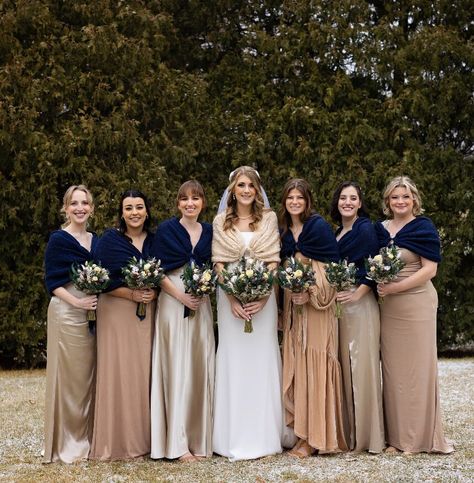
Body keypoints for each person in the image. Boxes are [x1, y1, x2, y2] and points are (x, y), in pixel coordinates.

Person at [212, 166, 288, 461]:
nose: (245, 190)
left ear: (257, 191)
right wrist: (232, 298)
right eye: (240, 185)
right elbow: (218, 263)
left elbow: (273, 261)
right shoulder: (220, 221)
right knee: (233, 359)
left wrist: (264, 296)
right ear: (232, 190)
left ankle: (264, 436)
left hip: (264, 302)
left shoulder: (268, 219)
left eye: (251, 186)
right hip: (229, 300)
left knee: (261, 359)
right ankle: (229, 436)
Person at [375, 176, 454, 454]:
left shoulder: (423, 227)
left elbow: (429, 270)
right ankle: (397, 439)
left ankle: (419, 439)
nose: (400, 202)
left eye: (405, 197)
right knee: (394, 371)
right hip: (389, 308)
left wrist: (396, 287)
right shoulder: (380, 229)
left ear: (414, 200)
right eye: (395, 197)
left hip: (417, 303)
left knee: (419, 370)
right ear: (388, 201)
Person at [279, 178, 347, 457]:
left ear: (308, 201)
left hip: (317, 307)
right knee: (298, 364)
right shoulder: (283, 232)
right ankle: (301, 433)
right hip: (293, 307)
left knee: (315, 364)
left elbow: (330, 269)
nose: (295, 202)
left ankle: (316, 437)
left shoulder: (317, 227)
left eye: (300, 198)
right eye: (290, 197)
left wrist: (309, 290)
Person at [150, 180, 215, 462]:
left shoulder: (210, 231)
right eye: (185, 199)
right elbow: (157, 271)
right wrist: (181, 296)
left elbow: (216, 266)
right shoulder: (166, 230)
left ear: (203, 203)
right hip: (173, 301)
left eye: (196, 198)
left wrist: (201, 292)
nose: (190, 203)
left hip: (201, 303)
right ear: (178, 203)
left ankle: (198, 438)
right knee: (176, 367)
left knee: (200, 367)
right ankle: (176, 444)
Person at [90, 190, 157, 460]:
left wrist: (153, 292)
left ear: (147, 211)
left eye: (139, 207)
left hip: (147, 313)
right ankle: (117, 442)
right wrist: (132, 294)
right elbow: (101, 280)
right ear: (121, 212)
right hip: (116, 312)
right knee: (119, 373)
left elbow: (165, 272)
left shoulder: (155, 241)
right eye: (128, 208)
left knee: (144, 373)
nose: (134, 213)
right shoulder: (110, 240)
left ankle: (146, 440)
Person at [43, 184, 98, 463]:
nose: (79, 208)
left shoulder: (96, 240)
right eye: (74, 203)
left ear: (91, 208)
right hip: (67, 313)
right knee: (67, 380)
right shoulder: (59, 240)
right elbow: (52, 282)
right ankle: (66, 444)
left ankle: (87, 439)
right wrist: (78, 303)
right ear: (65, 208)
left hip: (92, 317)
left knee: (87, 379)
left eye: (84, 203)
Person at [330, 181, 385, 453]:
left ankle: (368, 437)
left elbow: (374, 264)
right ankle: (349, 434)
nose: (347, 202)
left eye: (353, 198)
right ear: (337, 202)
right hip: (340, 307)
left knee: (362, 368)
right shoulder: (338, 231)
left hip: (360, 304)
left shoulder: (365, 228)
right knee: (345, 367)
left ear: (360, 203)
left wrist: (359, 293)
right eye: (343, 198)